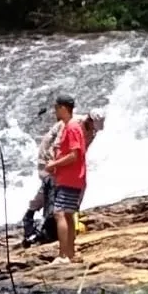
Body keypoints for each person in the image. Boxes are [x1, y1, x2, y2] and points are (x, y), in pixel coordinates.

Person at [21, 108, 104, 247]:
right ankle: (31, 217)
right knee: (51, 187)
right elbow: (56, 147)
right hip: (50, 159)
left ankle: (65, 219)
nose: (94, 130)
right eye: (93, 126)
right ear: (89, 119)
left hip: (67, 163)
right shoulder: (72, 126)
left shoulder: (91, 132)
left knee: (73, 189)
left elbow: (81, 152)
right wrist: (55, 165)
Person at [44, 94, 87, 264]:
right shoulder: (72, 126)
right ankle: (70, 253)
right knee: (68, 215)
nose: (55, 111)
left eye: (56, 108)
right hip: (71, 178)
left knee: (59, 213)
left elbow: (74, 155)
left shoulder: (72, 127)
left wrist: (54, 163)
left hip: (70, 178)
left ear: (63, 108)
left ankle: (63, 255)